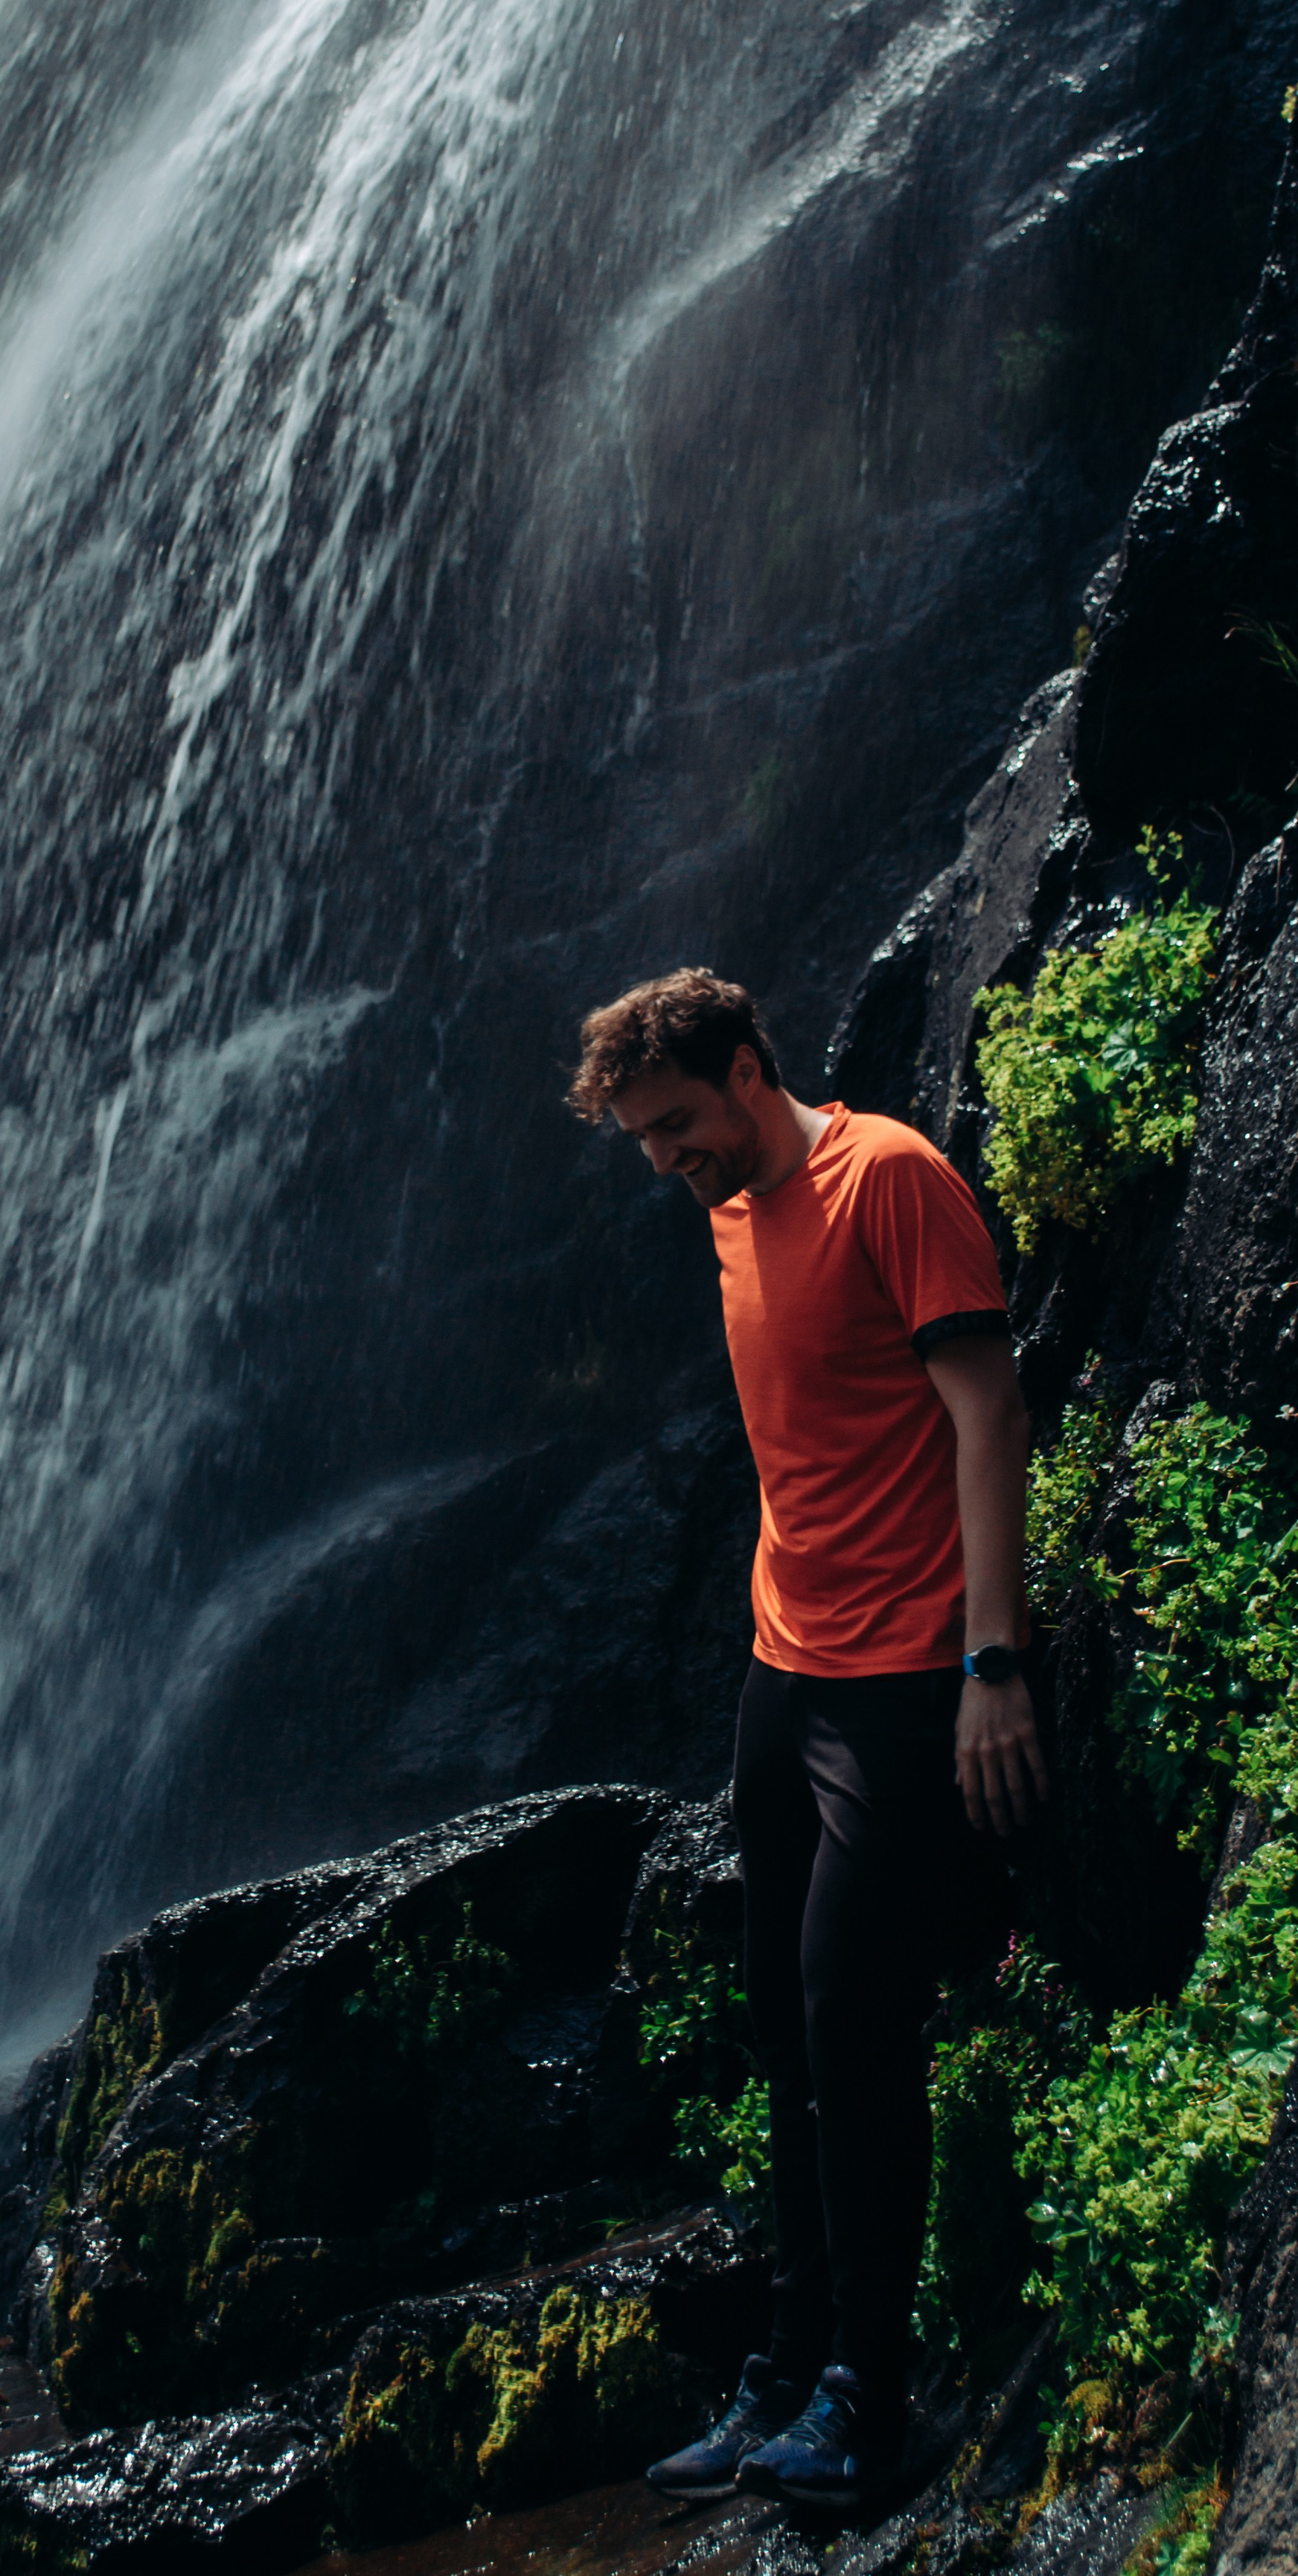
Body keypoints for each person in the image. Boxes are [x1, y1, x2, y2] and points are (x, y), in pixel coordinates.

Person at [568, 967, 1046, 2508]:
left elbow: (985, 1414)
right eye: (641, 1138)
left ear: (749, 1068)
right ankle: (782, 2367)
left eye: (676, 1125)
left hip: (908, 1674)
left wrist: (992, 1661)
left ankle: (871, 2395)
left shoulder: (887, 1179)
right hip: (782, 1666)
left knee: (853, 2021)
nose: (663, 1159)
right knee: (782, 2020)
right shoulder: (719, 1209)